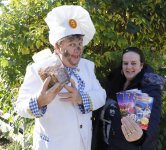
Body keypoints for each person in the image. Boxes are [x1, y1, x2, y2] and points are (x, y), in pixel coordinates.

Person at [16, 5, 106, 150]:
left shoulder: (87, 67)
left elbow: (101, 95)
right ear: (58, 47)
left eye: (80, 44)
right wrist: (39, 101)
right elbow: (20, 106)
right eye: (71, 44)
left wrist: (81, 98)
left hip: (83, 145)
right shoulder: (39, 68)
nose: (78, 49)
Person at [92, 47, 164, 150]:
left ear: (141, 65)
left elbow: (153, 122)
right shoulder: (114, 84)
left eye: (133, 63)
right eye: (125, 63)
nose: (129, 67)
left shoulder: (149, 88)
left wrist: (139, 138)